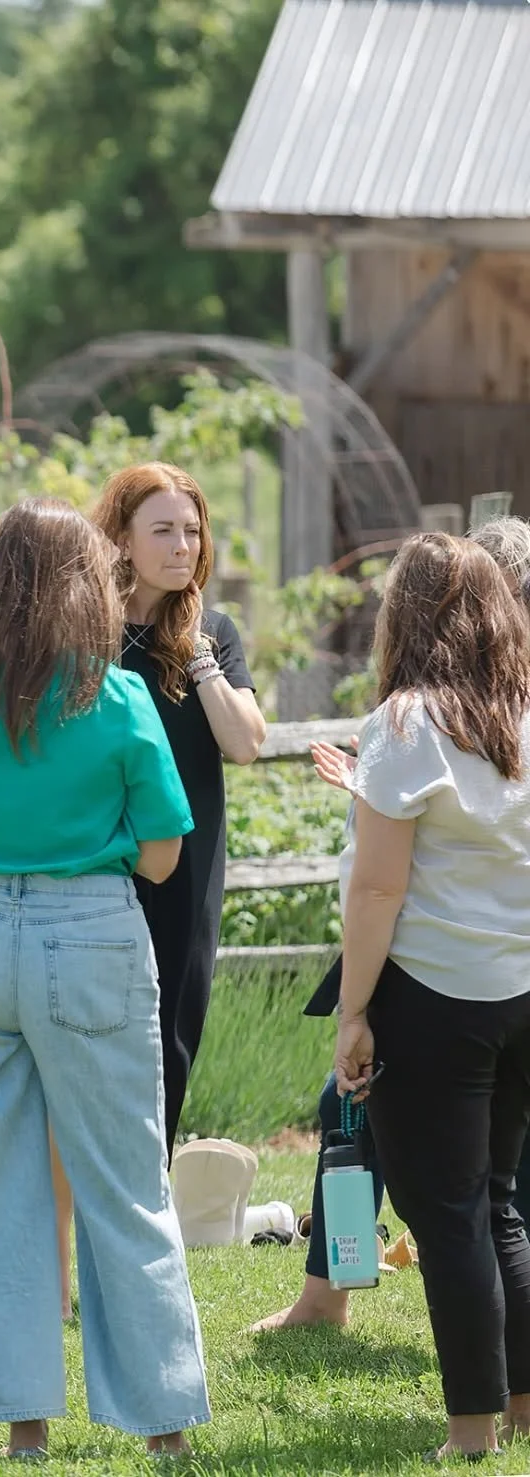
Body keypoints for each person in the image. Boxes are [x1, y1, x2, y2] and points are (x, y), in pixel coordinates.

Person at [0, 498, 210, 1460]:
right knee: (125, 1181)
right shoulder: (117, 702)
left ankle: (22, 1424)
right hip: (90, 935)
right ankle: (162, 1427)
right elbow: (161, 857)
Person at [253, 515, 530, 1335]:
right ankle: (329, 1287)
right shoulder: (456, 707)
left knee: (476, 1191)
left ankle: (351, 1300)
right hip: (430, 949)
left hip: (449, 961)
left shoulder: (485, 706)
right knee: (346, 1113)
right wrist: (379, 798)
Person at [332, 532, 530, 1462]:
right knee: (496, 1204)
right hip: (521, 991)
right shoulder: (520, 713)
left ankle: (469, 1431)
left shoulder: (406, 723)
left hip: (435, 994)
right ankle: (522, 1409)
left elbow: (376, 890)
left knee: (446, 1214)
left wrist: (352, 1010)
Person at [89, 462, 266, 1152]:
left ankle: (152, 1182)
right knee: (98, 1022)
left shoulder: (213, 632)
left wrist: (199, 660)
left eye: (192, 530)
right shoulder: (87, 631)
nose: (182, 546)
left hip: (190, 864)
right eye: (162, 529)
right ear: (123, 539)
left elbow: (246, 742)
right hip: (98, 857)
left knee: (174, 1025)